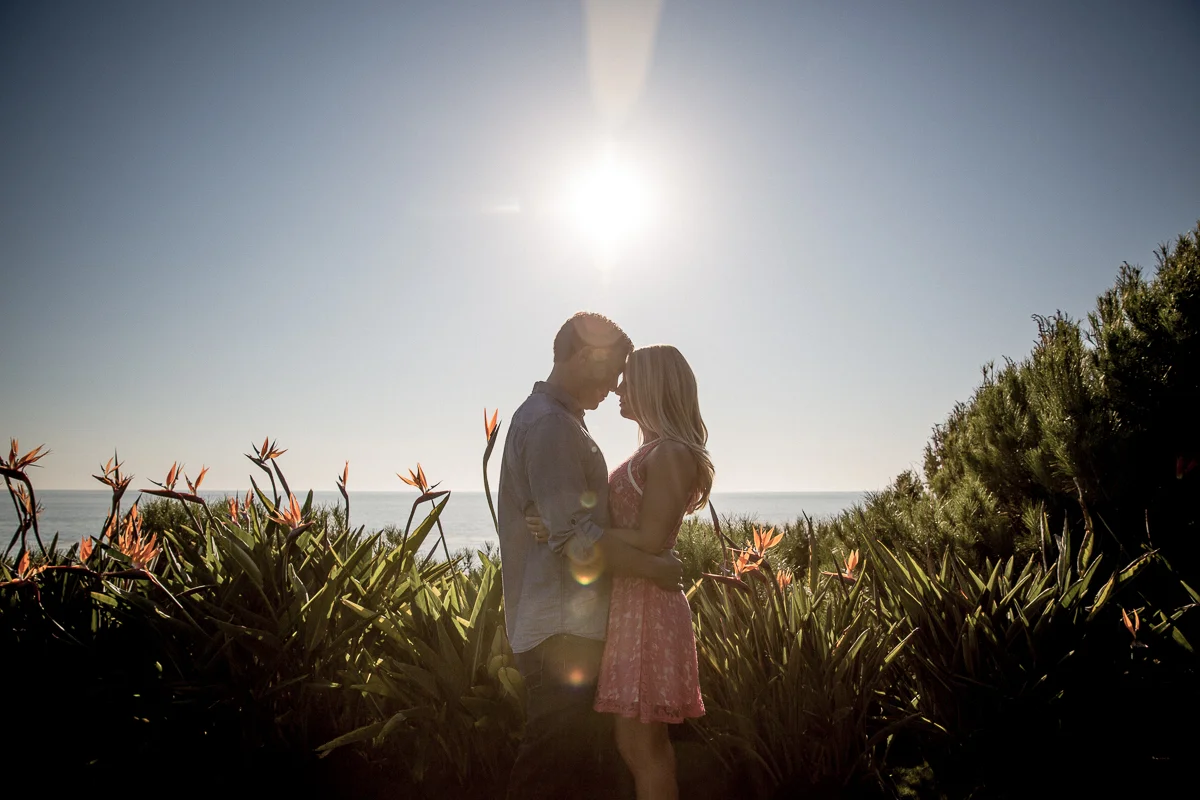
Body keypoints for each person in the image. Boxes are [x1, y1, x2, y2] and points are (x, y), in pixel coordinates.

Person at [498, 313, 685, 800]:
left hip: (570, 626)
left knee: (570, 767)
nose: (616, 386)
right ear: (585, 355)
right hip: (562, 629)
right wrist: (657, 569)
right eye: (613, 370)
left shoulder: (559, 422)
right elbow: (575, 541)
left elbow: (573, 528)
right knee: (548, 769)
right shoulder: (550, 425)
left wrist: (565, 527)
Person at [528, 344, 714, 800]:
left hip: (648, 606)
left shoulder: (670, 452)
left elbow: (652, 539)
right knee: (634, 743)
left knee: (643, 745)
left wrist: (571, 530)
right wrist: (570, 527)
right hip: (635, 601)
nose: (618, 389)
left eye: (629, 380)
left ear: (655, 385)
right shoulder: (655, 450)